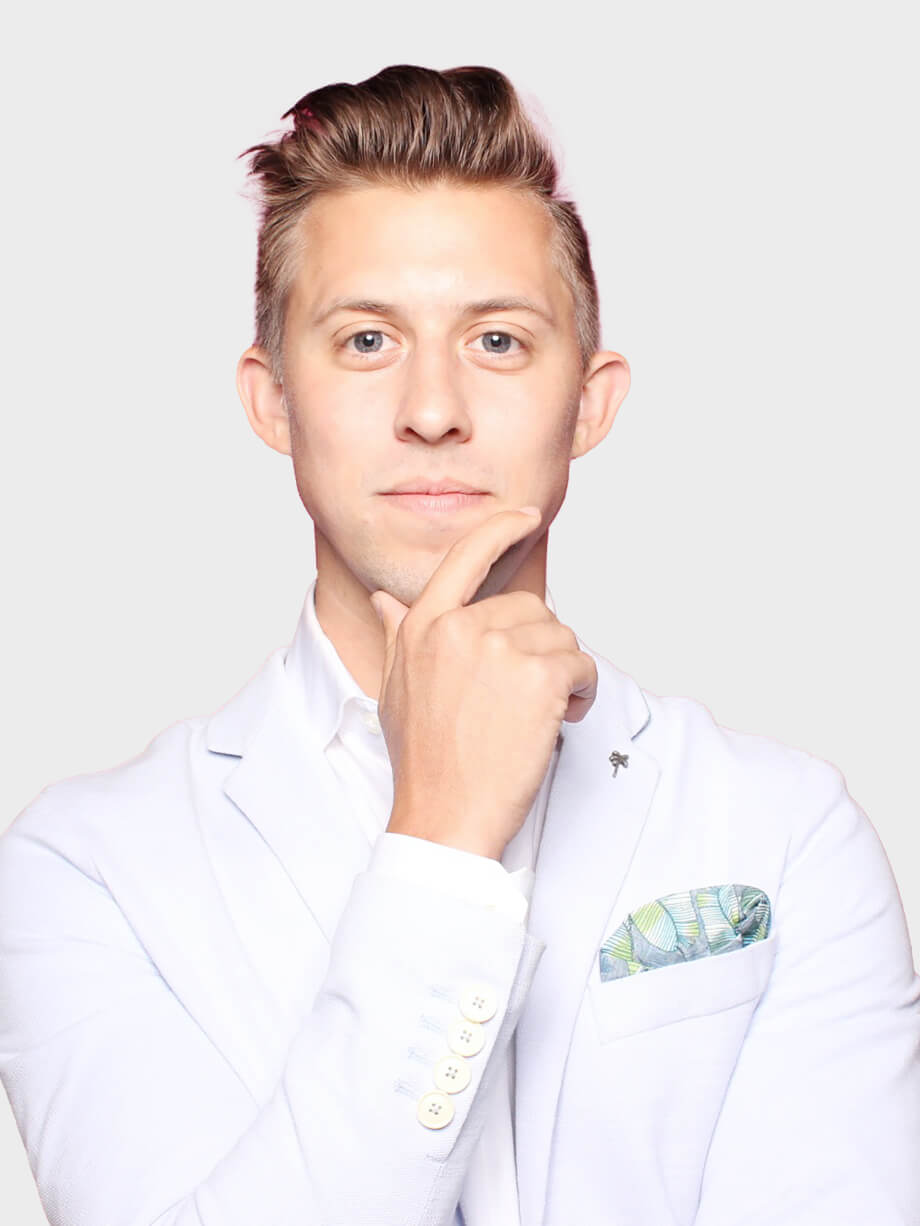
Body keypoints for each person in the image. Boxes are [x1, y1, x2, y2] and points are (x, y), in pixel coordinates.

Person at [0, 62, 918, 1226]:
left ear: (588, 401)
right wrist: (439, 840)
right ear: (273, 399)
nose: (431, 409)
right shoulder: (88, 869)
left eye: (495, 339)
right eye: (365, 339)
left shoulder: (785, 833)